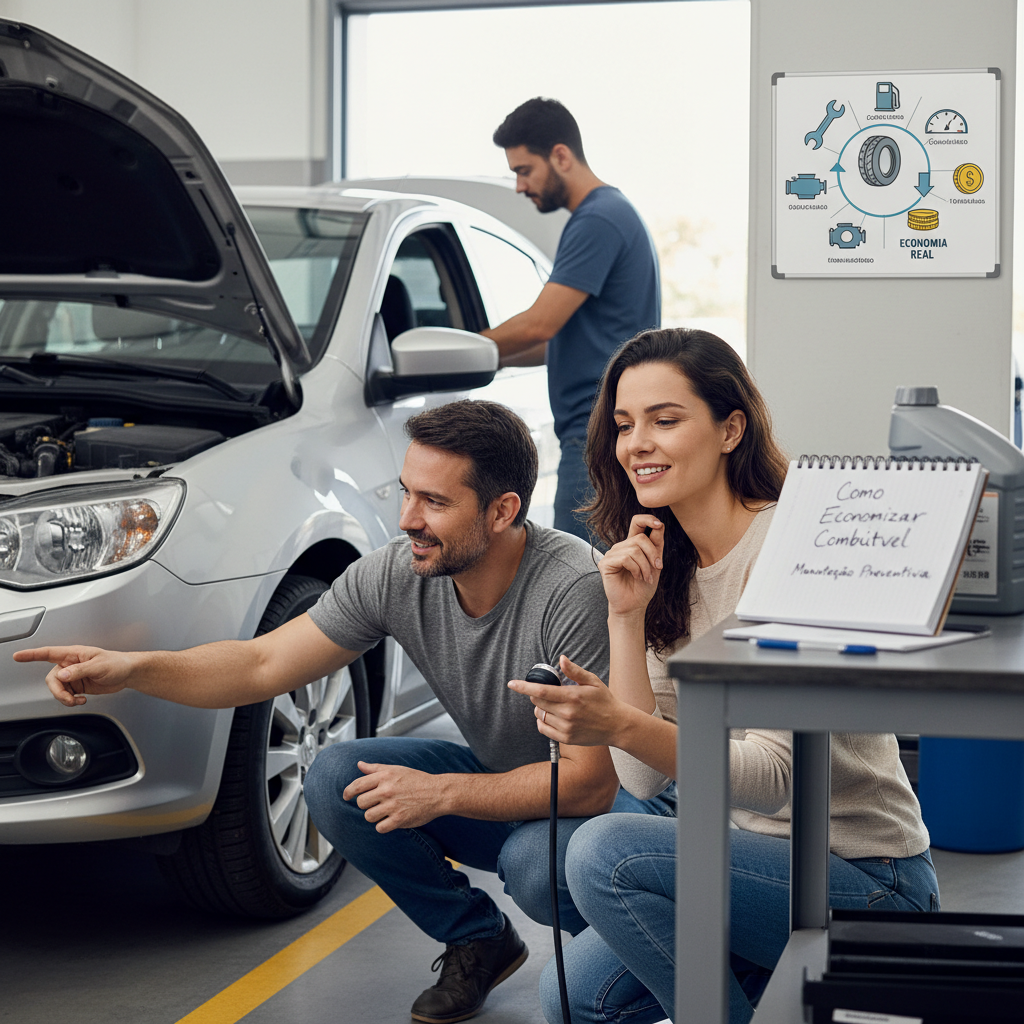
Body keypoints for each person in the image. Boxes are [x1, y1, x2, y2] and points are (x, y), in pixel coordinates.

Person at [17, 398, 670, 1024]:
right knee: (335, 778)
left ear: (502, 511)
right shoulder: (396, 573)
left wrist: (440, 793)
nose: (409, 518)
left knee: (534, 863)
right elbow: (261, 665)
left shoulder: (572, 589)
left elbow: (593, 781)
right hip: (504, 779)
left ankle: (634, 949)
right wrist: (134, 670)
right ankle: (480, 941)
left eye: (435, 502)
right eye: (406, 492)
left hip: (602, 814)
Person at [508, 329, 940, 1024]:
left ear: (730, 428)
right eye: (624, 425)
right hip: (750, 866)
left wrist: (618, 722)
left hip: (868, 881)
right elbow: (644, 780)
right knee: (575, 1000)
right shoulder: (664, 565)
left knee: (604, 853)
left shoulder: (792, 548)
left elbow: (774, 779)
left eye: (665, 420)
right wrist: (625, 617)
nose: (637, 443)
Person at [483, 97, 660, 542]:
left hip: (596, 438)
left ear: (560, 155)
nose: (520, 186)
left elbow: (539, 325)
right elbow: (560, 342)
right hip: (594, 435)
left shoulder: (598, 219)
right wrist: (493, 360)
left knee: (583, 583)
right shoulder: (608, 214)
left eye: (524, 170)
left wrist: (468, 346)